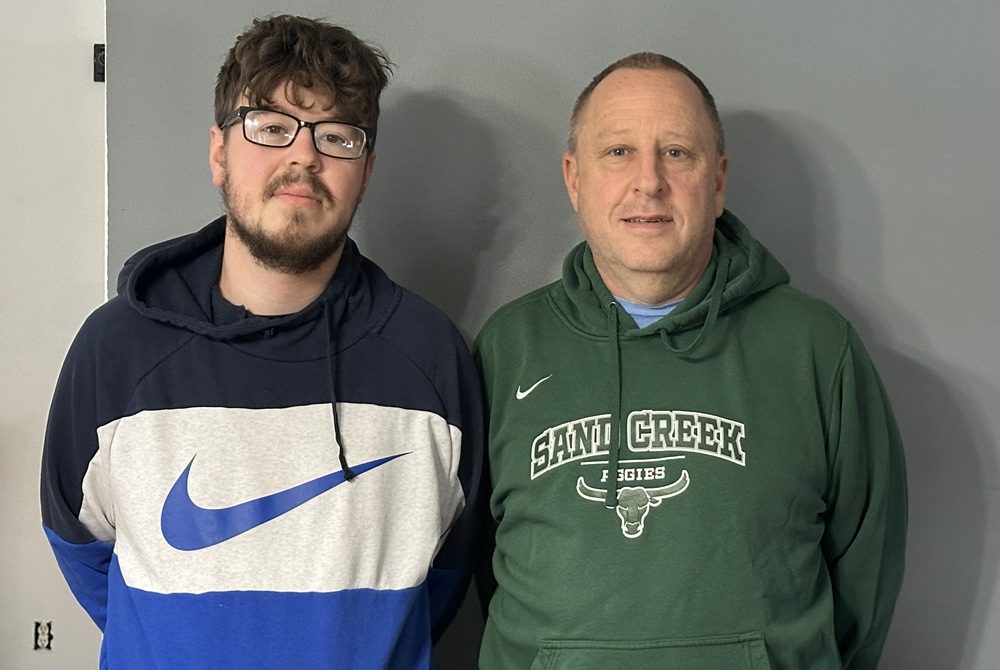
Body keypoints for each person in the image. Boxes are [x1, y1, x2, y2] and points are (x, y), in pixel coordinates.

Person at [41, 15, 483, 669]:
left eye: (336, 136)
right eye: (272, 127)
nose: (303, 155)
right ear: (219, 152)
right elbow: (81, 548)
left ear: (365, 170)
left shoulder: (431, 358)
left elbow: (441, 578)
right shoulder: (116, 351)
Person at [474, 53, 907, 669]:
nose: (648, 180)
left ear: (719, 178)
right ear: (574, 178)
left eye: (677, 152)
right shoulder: (506, 348)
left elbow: (867, 575)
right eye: (617, 151)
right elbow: (476, 559)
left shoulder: (817, 347)